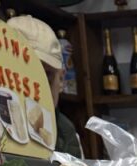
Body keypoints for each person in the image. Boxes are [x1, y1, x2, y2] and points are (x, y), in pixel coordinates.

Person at [7, 15, 82, 158]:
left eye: (46, 76)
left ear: (61, 79)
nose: (32, 88)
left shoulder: (67, 135)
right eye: (19, 76)